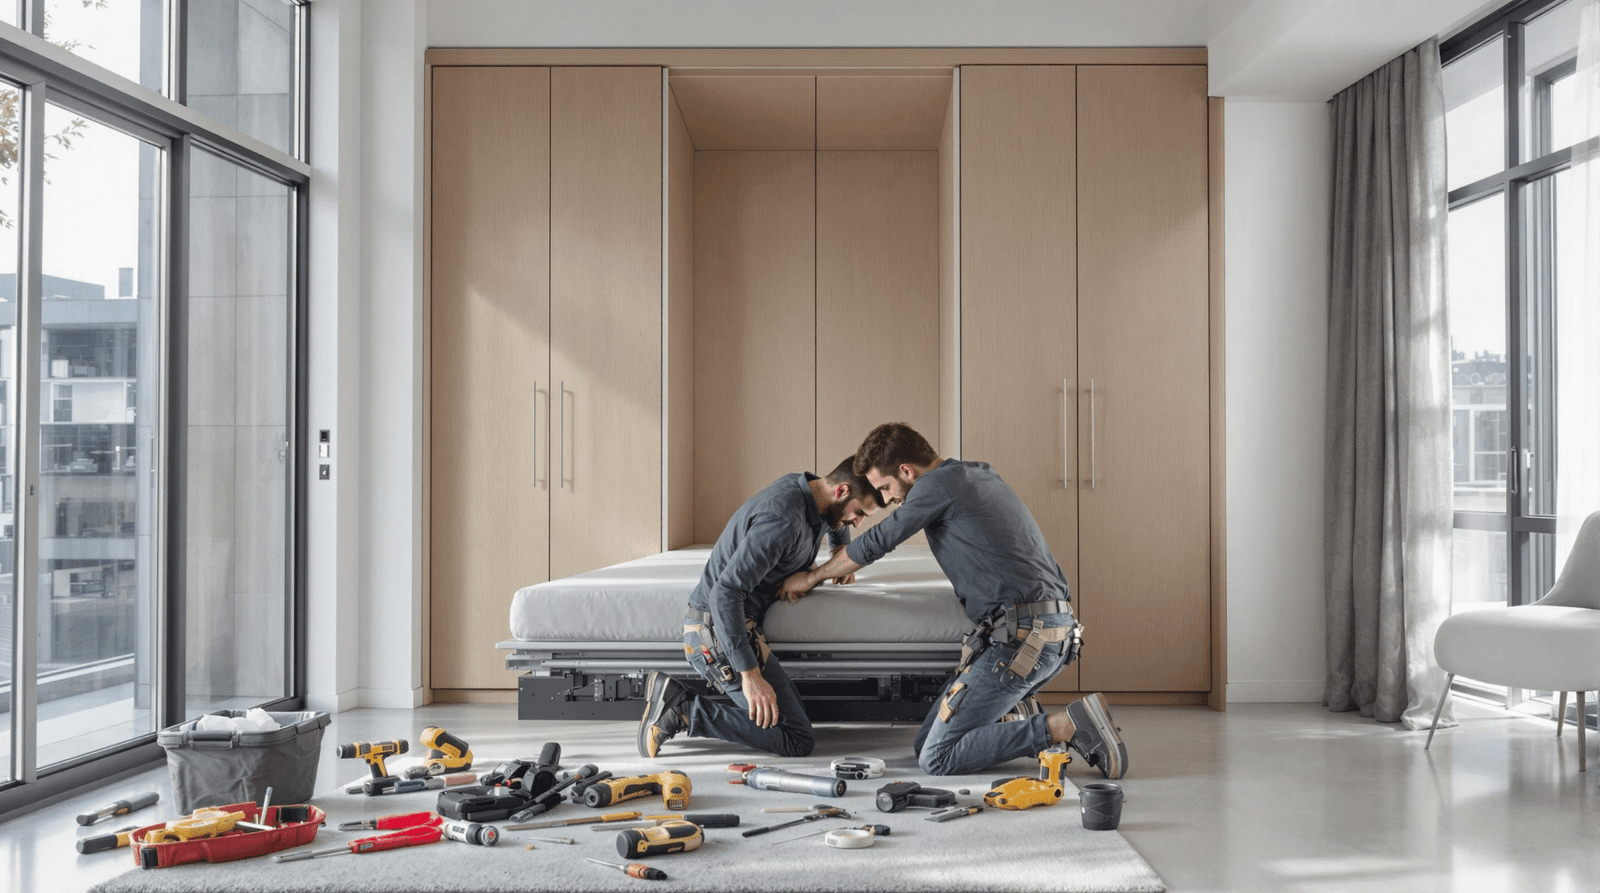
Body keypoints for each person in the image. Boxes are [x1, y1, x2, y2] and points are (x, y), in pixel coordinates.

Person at [779, 422, 1127, 779]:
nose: (887, 499)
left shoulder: (936, 485)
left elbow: (879, 540)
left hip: (1023, 640)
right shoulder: (976, 474)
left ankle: (1065, 725)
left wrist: (812, 576)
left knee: (938, 757)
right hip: (1056, 631)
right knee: (926, 744)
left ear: (906, 471)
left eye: (886, 487)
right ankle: (1010, 718)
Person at [637, 458, 884, 759]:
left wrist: (838, 549)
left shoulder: (811, 492)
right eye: (858, 513)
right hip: (716, 634)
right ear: (841, 491)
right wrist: (750, 675)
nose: (858, 523)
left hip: (744, 625)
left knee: (794, 721)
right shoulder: (782, 521)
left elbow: (832, 519)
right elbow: (724, 593)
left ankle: (686, 704)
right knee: (796, 738)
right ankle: (682, 708)